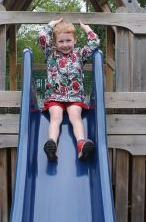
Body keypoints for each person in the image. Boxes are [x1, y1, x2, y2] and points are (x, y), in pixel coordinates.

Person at [38, 18, 100, 161]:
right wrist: (51, 25)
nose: (65, 45)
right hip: (54, 96)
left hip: (74, 97)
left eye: (68, 41)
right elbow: (42, 37)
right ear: (55, 43)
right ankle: (51, 144)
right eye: (61, 41)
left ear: (75, 40)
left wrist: (87, 28)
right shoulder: (50, 53)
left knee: (75, 117)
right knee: (56, 117)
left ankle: (81, 145)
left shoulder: (80, 54)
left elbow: (95, 42)